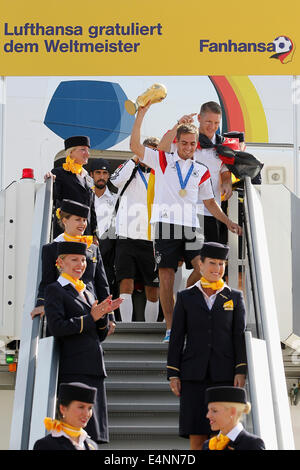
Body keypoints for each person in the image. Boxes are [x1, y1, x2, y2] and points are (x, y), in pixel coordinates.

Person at [130, 103, 242, 341]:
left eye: (192, 143)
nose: (189, 147)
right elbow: (134, 146)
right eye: (184, 143)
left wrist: (228, 221)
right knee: (166, 278)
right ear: (177, 143)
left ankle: (184, 298)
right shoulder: (162, 160)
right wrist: (141, 114)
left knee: (204, 268)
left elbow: (210, 202)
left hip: (190, 226)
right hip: (165, 225)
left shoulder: (200, 170)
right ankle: (171, 328)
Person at [167, 242, 247, 450]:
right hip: (193, 375)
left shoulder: (235, 297)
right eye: (212, 263)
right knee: (196, 432)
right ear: (200, 265)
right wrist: (173, 373)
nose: (217, 268)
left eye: (221, 264)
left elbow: (238, 337)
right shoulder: (185, 297)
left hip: (224, 375)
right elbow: (176, 337)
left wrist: (241, 370)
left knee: (221, 434)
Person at [44, 241, 123, 444]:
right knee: (74, 429)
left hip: (94, 367)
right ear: (60, 263)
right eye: (74, 260)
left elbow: (99, 335)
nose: (80, 264)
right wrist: (91, 317)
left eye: (83, 260)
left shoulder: (87, 291)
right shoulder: (55, 290)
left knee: (94, 435)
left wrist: (103, 315)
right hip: (74, 368)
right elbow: (57, 327)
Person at [30, 199, 116, 336]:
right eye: (78, 220)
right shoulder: (51, 248)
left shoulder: (93, 248)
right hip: (65, 309)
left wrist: (109, 315)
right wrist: (41, 303)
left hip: (90, 306)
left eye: (84, 220)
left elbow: (101, 283)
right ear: (64, 220)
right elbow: (47, 280)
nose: (82, 224)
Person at [109, 137, 160, 323]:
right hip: (126, 237)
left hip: (152, 238)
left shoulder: (160, 174)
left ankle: (151, 327)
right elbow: (115, 180)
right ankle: (126, 325)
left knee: (153, 288)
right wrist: (135, 158)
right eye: (146, 150)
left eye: (153, 151)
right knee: (126, 282)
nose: (149, 155)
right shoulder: (130, 170)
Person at [47, 135, 98, 239]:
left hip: (85, 233)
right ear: (71, 152)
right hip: (66, 232)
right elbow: (53, 197)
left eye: (88, 150)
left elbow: (92, 209)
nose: (87, 154)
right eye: (83, 150)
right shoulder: (59, 173)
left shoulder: (88, 179)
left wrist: (94, 234)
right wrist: (49, 182)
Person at [33, 382, 99, 450]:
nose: (87, 414)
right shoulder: (46, 445)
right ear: (63, 409)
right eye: (81, 407)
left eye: (90, 408)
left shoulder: (92, 446)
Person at [203, 386, 265, 450]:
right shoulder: (207, 445)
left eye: (214, 411)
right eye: (208, 410)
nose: (208, 415)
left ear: (232, 412)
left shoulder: (252, 444)